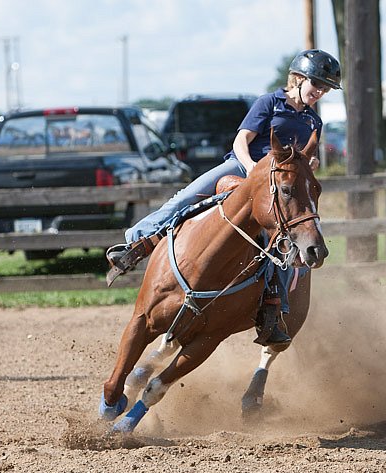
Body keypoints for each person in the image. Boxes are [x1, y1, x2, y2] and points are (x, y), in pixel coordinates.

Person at [106, 49, 341, 347]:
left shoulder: (312, 122)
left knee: (280, 246)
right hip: (242, 168)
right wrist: (254, 170)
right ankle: (136, 243)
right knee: (185, 198)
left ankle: (273, 309)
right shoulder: (269, 103)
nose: (320, 92)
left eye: (325, 88)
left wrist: (309, 167)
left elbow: (309, 160)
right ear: (298, 78)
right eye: (316, 84)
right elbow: (242, 140)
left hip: (278, 185)